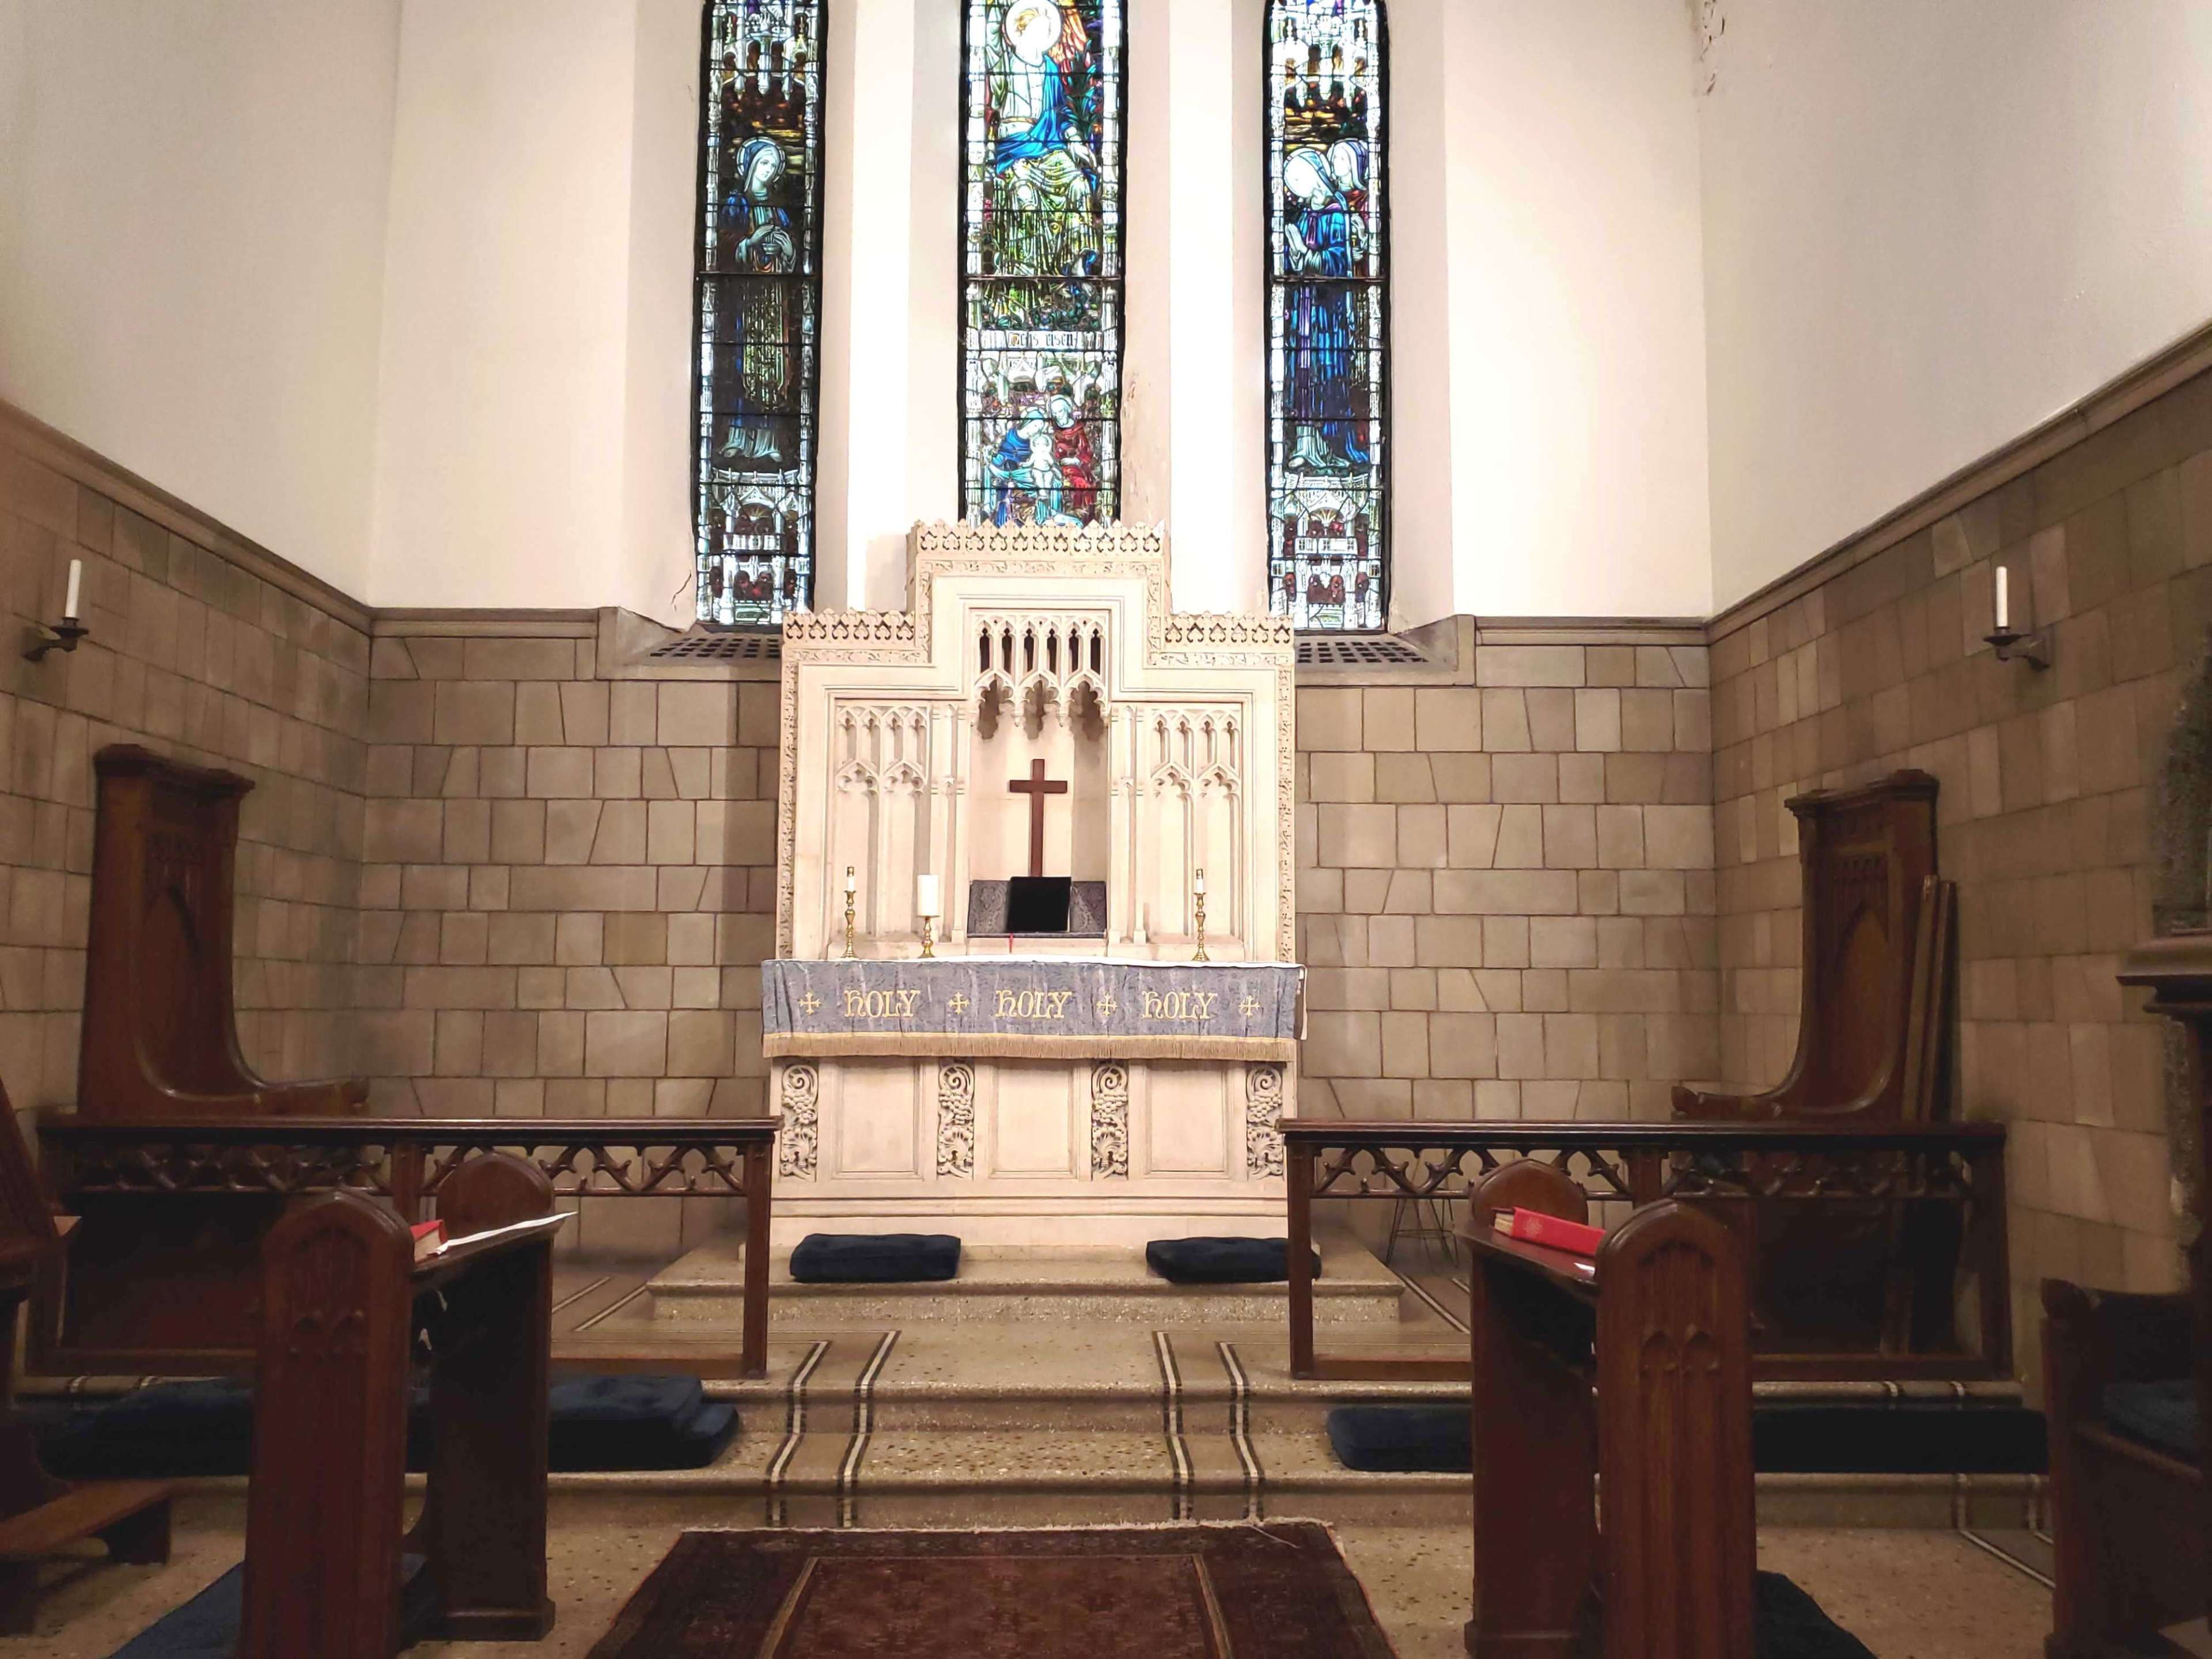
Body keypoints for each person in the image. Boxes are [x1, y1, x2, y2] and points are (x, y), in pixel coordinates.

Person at [1282, 146, 1369, 474]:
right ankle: (1305, 445)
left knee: (1326, 373)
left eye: (1299, 178)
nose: (1295, 187)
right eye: (1292, 182)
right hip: (1303, 309)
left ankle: (1331, 448)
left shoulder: (1337, 214)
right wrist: (1295, 258)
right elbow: (1294, 264)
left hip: (1327, 314)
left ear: (1316, 178)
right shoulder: (1304, 216)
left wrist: (1308, 257)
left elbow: (1338, 262)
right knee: (1302, 374)